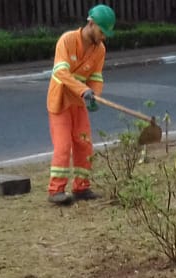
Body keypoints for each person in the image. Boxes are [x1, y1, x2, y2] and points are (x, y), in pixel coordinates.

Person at [46, 4, 116, 205]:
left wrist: (94, 93)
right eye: (102, 31)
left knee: (84, 143)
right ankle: (55, 191)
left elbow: (96, 76)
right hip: (60, 101)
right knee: (63, 145)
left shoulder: (99, 49)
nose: (103, 37)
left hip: (79, 101)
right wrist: (83, 90)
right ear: (91, 24)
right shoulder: (67, 40)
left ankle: (82, 187)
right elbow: (60, 72)